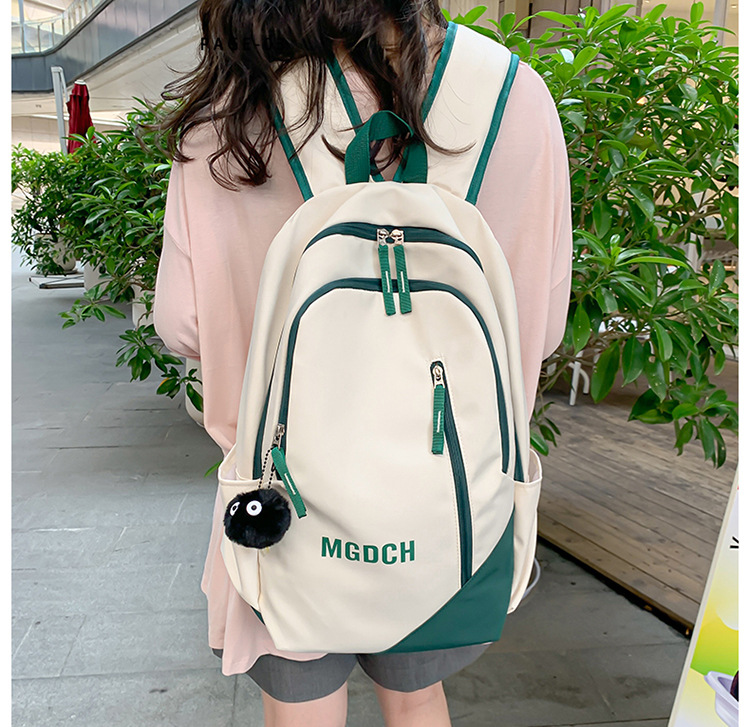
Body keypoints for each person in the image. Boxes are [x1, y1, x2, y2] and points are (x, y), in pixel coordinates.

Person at [153, 1, 572, 725]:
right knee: (417, 700)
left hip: (285, 504)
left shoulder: (233, 110)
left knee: (302, 705)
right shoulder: (513, 93)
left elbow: (182, 323)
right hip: (452, 502)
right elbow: (543, 327)